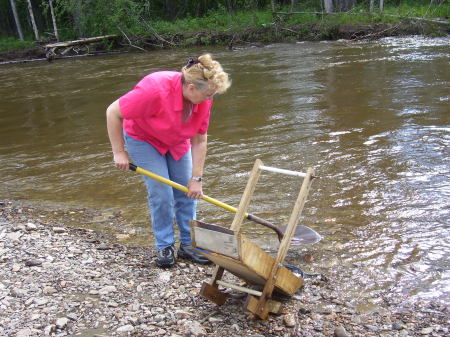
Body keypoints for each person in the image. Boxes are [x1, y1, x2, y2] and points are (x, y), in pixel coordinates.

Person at [106, 54, 231, 268]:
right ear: (191, 88)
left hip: (176, 140)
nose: (211, 98)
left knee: (187, 192)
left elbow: (200, 140)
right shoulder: (154, 89)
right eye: (208, 94)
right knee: (161, 193)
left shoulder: (203, 101)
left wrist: (197, 178)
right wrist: (119, 151)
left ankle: (188, 245)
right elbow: (113, 112)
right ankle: (164, 245)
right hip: (144, 139)